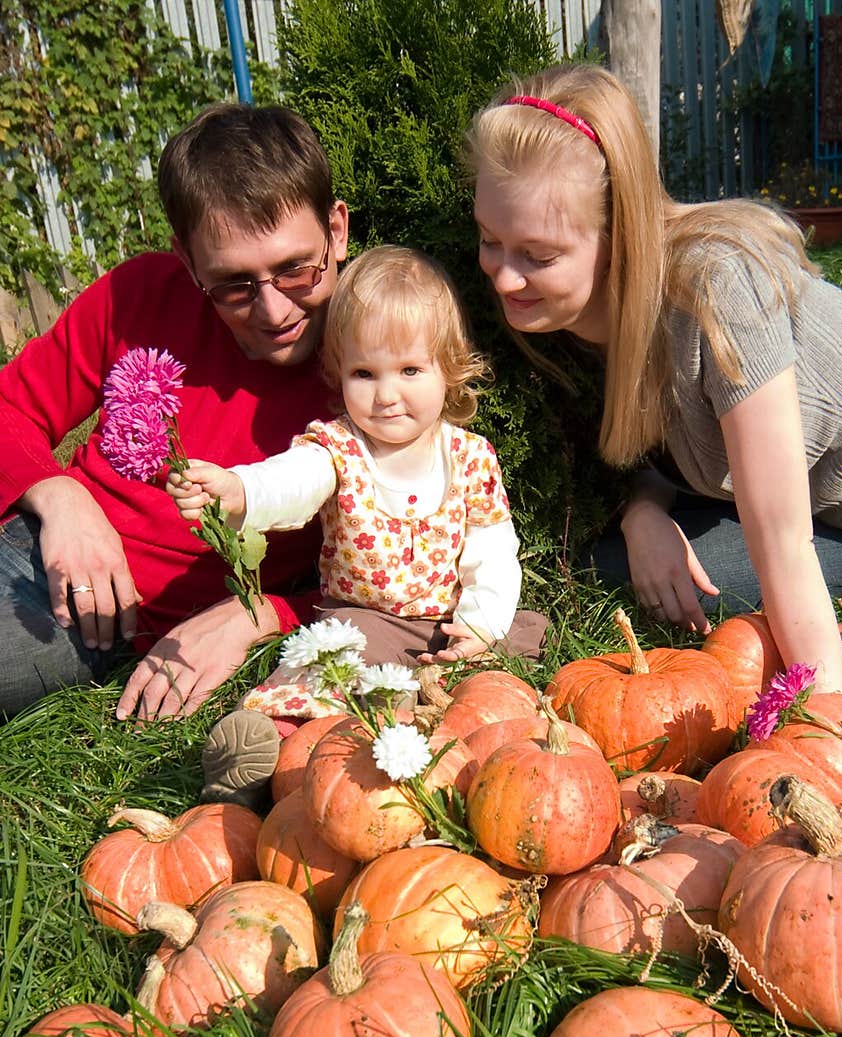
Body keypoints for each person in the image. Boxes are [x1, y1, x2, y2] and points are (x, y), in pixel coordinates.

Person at [465, 62, 842, 696]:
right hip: (784, 501)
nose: (502, 278)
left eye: (537, 255)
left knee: (648, 578)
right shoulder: (563, 317)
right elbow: (648, 450)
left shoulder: (718, 291)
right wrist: (642, 509)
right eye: (489, 239)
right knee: (624, 563)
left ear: (618, 233)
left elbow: (785, 542)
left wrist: (831, 729)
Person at [0, 101, 349, 721]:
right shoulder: (140, 296)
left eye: (296, 268)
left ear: (337, 231)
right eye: (235, 284)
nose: (273, 312)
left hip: (100, 625)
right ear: (188, 263)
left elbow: (405, 560)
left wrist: (260, 613)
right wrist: (60, 497)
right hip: (44, 554)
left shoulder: (380, 356)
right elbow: (10, 407)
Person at [166, 243, 547, 727]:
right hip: (367, 620)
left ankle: (442, 707)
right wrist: (240, 489)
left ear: (447, 369)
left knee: (510, 643)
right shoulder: (338, 448)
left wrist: (478, 626)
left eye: (410, 370)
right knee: (332, 668)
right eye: (364, 373)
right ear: (338, 373)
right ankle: (272, 739)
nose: (386, 396)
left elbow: (491, 553)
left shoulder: (470, 458)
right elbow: (292, 480)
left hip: (451, 622)